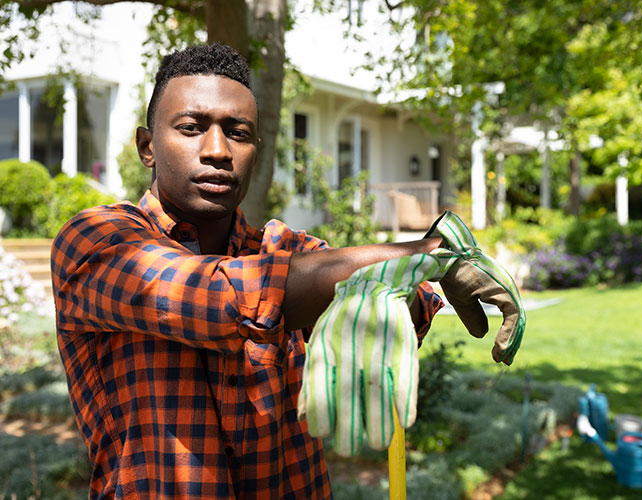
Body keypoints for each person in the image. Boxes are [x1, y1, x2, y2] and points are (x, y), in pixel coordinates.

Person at [51, 43, 445, 499]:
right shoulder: (96, 241)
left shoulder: (285, 249)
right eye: (191, 128)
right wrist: (427, 255)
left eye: (238, 133)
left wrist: (409, 289)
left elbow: (405, 307)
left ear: (256, 151)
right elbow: (218, 295)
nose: (217, 150)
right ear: (147, 147)